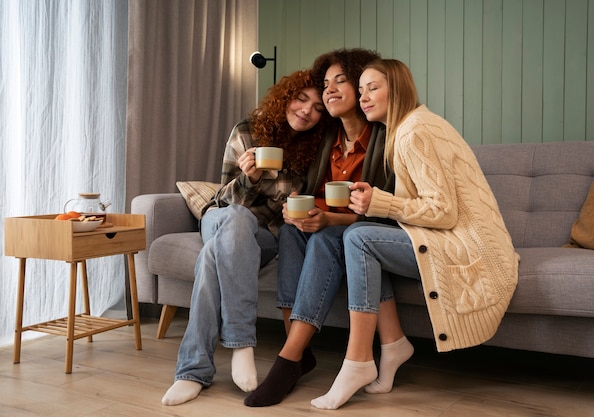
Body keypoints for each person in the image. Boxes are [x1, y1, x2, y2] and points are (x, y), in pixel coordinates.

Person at [311, 59, 520, 409]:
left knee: (359, 238)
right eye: (361, 90)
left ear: (399, 87)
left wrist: (380, 203)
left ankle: (359, 360)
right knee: (366, 237)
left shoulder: (414, 131)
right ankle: (392, 345)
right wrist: (377, 203)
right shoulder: (409, 127)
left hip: (468, 246)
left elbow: (443, 210)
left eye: (373, 87)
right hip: (456, 238)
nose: (364, 97)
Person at [161, 69, 329, 406]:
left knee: (212, 257)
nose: (308, 110)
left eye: (318, 108)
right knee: (236, 219)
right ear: (286, 97)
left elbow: (298, 206)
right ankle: (240, 342)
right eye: (301, 99)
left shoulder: (314, 150)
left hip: (263, 236)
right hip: (221, 218)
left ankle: (193, 371)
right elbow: (225, 200)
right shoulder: (247, 131)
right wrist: (248, 180)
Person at [244, 48, 395, 407]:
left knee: (326, 237)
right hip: (328, 226)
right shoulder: (325, 142)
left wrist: (327, 220)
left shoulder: (385, 139)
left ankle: (289, 359)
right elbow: (313, 200)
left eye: (340, 81)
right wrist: (304, 214)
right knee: (294, 231)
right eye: (325, 83)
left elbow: (383, 215)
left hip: (365, 233)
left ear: (361, 86)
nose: (329, 89)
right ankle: (296, 346)